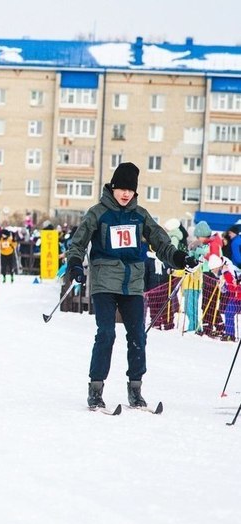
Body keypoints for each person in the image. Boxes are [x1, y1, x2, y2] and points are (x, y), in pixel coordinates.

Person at [65, 162, 197, 410]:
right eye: (122, 189)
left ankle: (135, 389)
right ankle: (95, 389)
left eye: (131, 190)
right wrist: (74, 263)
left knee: (137, 336)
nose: (126, 194)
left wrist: (179, 258)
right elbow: (78, 242)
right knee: (106, 334)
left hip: (133, 284)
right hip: (104, 282)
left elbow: (161, 243)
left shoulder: (140, 215)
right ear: (113, 188)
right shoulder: (98, 213)